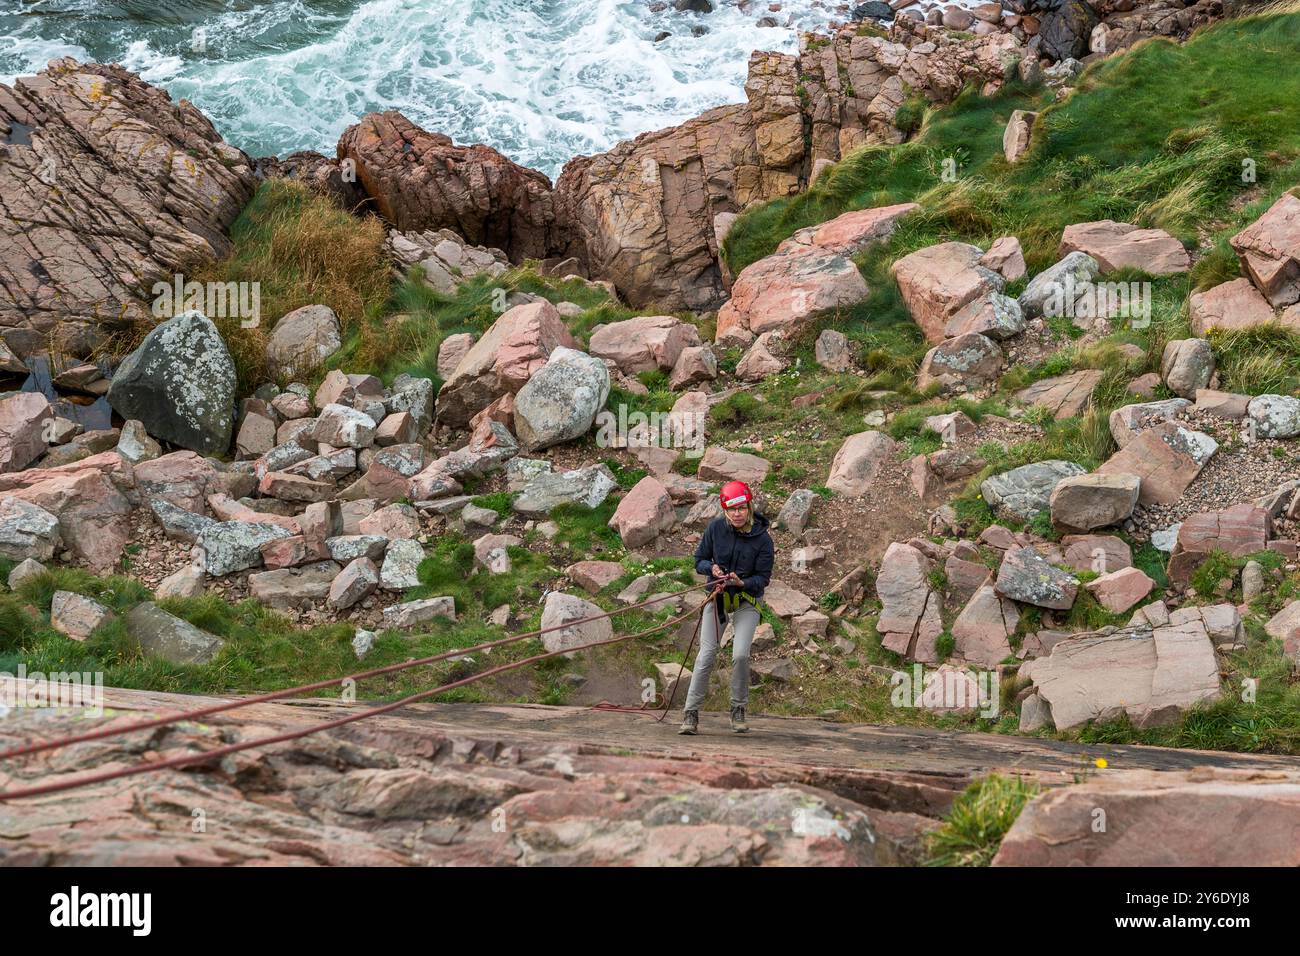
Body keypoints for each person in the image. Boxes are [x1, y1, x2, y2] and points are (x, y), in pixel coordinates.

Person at [680, 479, 774, 735]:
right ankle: (690, 713)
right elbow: (699, 559)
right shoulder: (715, 530)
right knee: (707, 654)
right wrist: (711, 569)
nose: (737, 513)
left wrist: (742, 582)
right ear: (724, 510)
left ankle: (738, 709)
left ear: (749, 507)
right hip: (718, 598)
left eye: (741, 508)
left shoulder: (763, 540)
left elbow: (763, 579)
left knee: (740, 654)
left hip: (746, 600)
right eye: (732, 509)